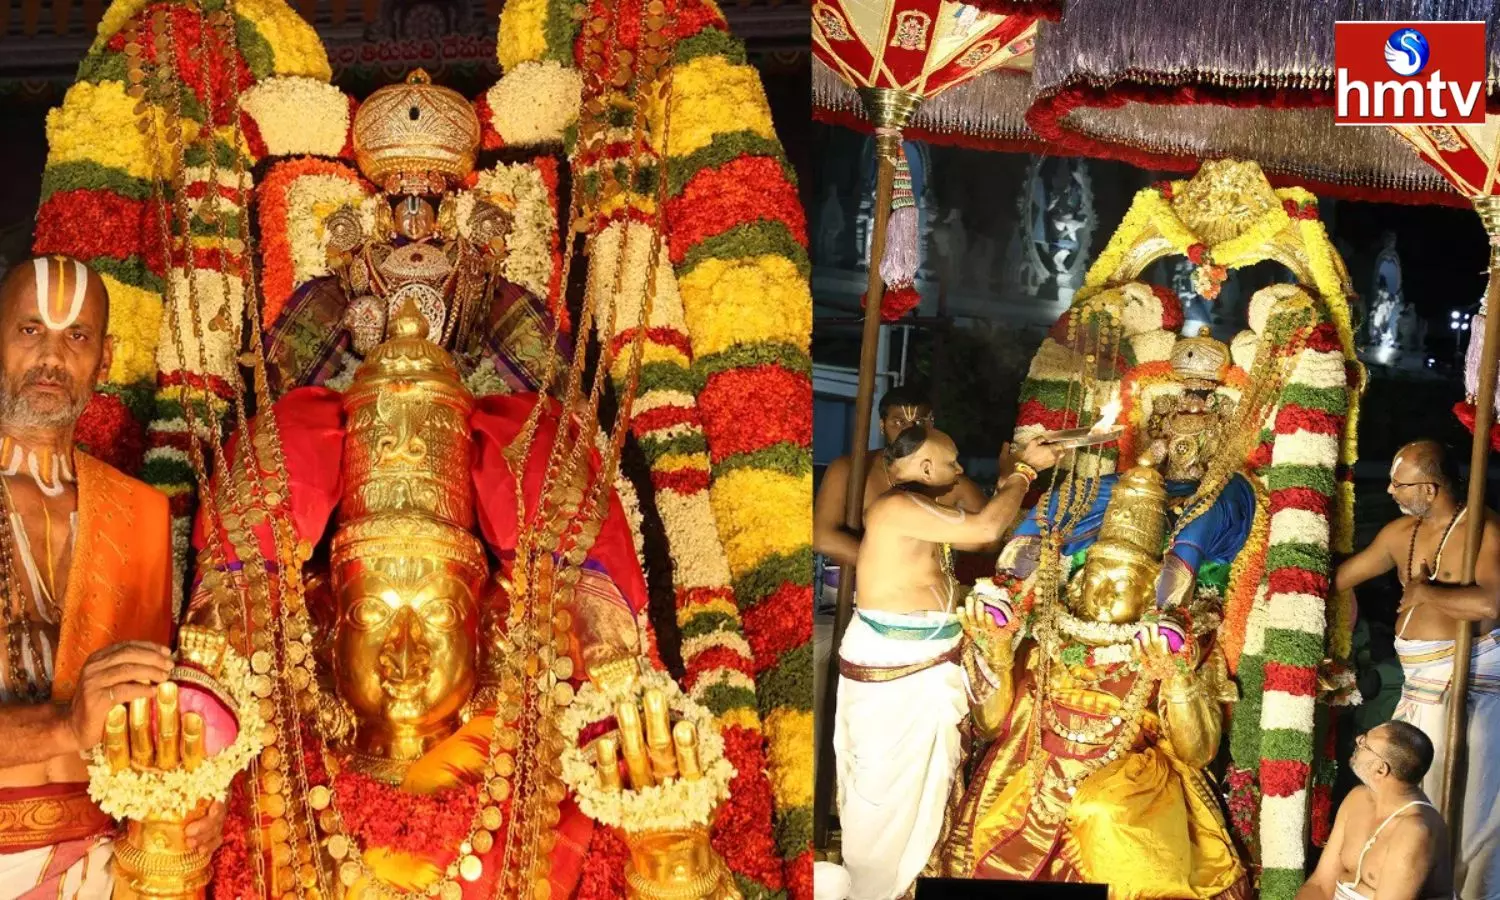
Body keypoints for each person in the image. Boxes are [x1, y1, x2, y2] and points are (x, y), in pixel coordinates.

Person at [0, 257, 219, 897]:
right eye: (29, 330)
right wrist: (64, 727)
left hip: (107, 865)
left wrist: (201, 794)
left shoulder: (142, 515)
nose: (51, 357)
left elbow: (159, 706)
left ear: (105, 356)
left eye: (76, 337)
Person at [832, 426, 1058, 900]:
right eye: (953, 462)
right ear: (928, 467)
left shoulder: (921, 509)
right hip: (896, 669)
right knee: (884, 797)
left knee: (926, 789)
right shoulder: (895, 508)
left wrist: (1009, 481)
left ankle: (913, 881)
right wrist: (1023, 471)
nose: (959, 471)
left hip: (928, 660)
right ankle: (874, 891)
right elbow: (984, 529)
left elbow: (984, 539)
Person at [1335, 439, 1500, 899]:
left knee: (1468, 815)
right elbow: (1341, 579)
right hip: (1418, 689)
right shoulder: (1399, 533)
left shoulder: (1481, 530)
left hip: (1467, 691)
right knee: (1401, 800)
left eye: (1399, 483)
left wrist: (1427, 594)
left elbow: (1490, 603)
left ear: (1429, 488)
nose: (1389, 490)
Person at [813, 384, 993, 568]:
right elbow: (822, 536)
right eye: (898, 422)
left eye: (920, 423)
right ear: (882, 425)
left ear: (931, 425)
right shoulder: (848, 469)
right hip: (856, 588)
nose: (909, 431)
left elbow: (991, 538)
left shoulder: (952, 481)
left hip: (924, 591)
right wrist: (892, 571)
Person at [1296, 721, 1453, 900]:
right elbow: (1320, 884)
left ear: (1380, 769)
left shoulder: (1414, 831)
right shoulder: (1357, 799)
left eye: (1365, 744)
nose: (1357, 740)